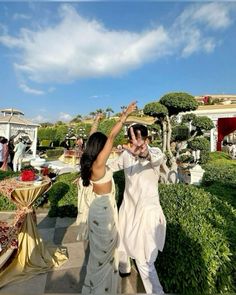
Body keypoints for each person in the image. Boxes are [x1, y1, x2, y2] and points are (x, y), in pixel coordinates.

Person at [80, 102, 136, 294]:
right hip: (104, 211)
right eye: (103, 146)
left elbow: (91, 139)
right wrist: (124, 116)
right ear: (100, 148)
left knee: (99, 253)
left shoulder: (90, 160)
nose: (107, 147)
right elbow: (112, 136)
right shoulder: (98, 164)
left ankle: (97, 286)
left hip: (99, 207)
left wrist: (96, 122)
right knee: (104, 253)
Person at [108, 124, 166, 295]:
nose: (137, 143)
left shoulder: (155, 153)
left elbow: (152, 158)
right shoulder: (126, 155)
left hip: (147, 211)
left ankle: (157, 292)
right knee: (123, 243)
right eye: (133, 139)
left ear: (147, 139)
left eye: (140, 139)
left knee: (144, 258)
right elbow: (110, 168)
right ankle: (125, 269)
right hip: (128, 209)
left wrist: (143, 152)